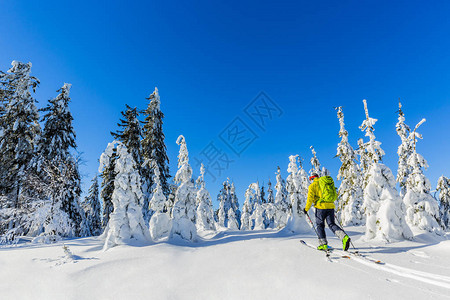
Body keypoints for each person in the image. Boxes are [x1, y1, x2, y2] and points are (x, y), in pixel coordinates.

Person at [303, 172, 351, 251]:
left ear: (312, 178)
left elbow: (310, 199)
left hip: (320, 207)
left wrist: (306, 209)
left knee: (320, 225)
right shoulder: (325, 183)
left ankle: (323, 244)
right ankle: (344, 237)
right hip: (330, 206)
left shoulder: (312, 186)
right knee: (331, 224)